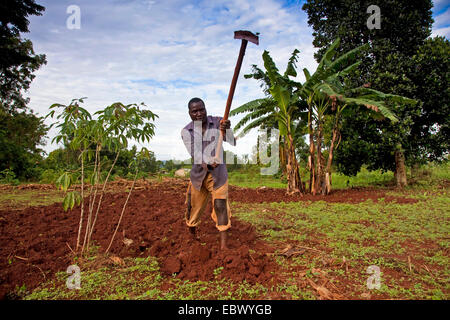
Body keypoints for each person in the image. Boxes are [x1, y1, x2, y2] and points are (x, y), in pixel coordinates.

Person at [181, 97, 235, 250]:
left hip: (219, 175)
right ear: (189, 113)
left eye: (201, 109)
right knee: (193, 209)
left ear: (205, 109)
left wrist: (228, 129)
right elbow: (195, 154)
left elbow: (232, 141)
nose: (198, 113)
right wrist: (208, 162)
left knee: (221, 206)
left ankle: (224, 247)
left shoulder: (219, 122)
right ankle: (192, 236)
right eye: (194, 111)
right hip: (198, 176)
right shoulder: (187, 131)